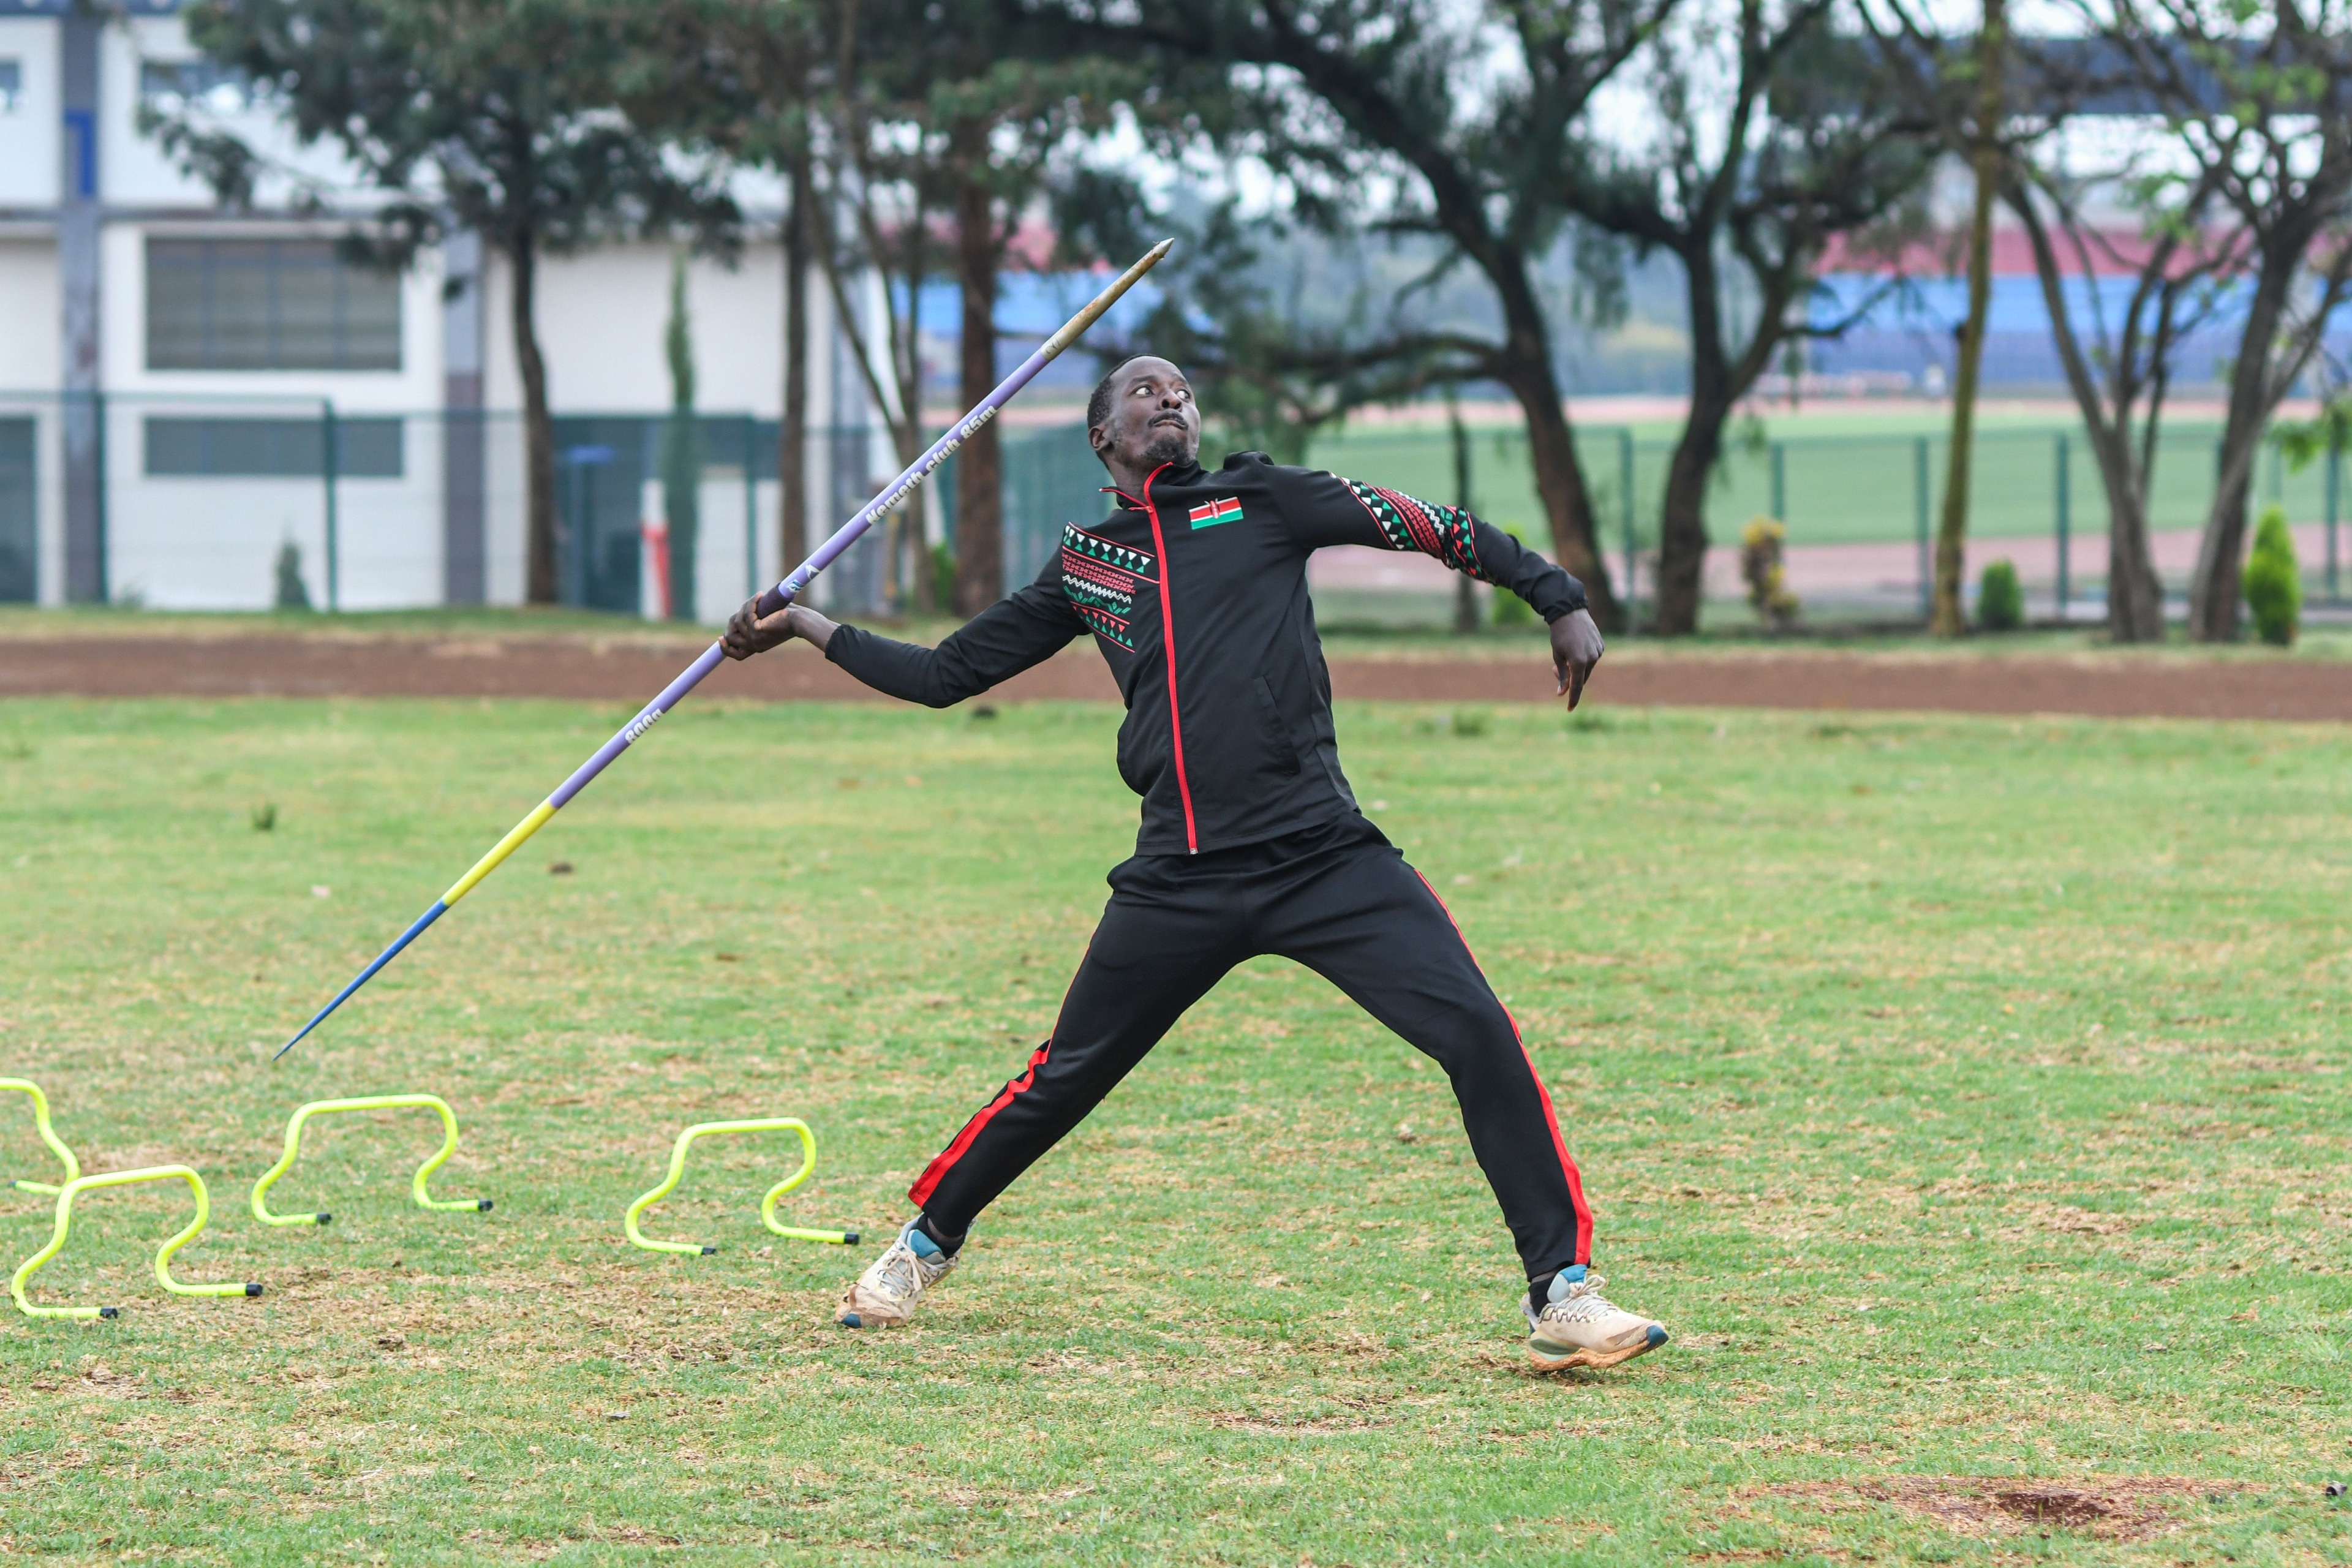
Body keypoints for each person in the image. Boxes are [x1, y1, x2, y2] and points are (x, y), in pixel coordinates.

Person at [723, 356, 1668, 1371]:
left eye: (1178, 388)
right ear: (1104, 439)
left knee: (1477, 1031)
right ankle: (924, 1245)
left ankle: (1563, 1294)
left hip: (1322, 855)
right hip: (1181, 876)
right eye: (1141, 390)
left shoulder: (1263, 498)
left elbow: (1430, 523)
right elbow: (947, 674)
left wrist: (1554, 593)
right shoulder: (1088, 561)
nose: (1168, 397)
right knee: (1063, 1079)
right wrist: (811, 628)